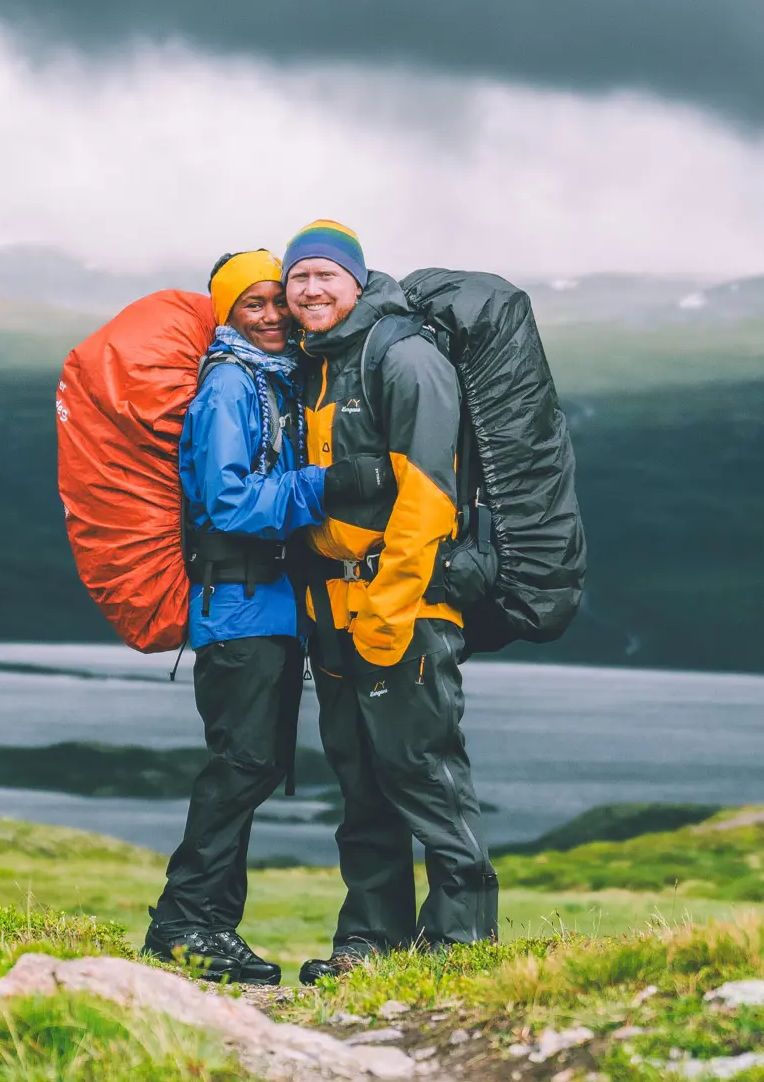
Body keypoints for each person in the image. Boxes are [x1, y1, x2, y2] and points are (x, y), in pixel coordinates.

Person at [142, 248, 390, 985]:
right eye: (253, 303)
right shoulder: (228, 385)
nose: (275, 314)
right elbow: (227, 502)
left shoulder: (271, 379)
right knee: (243, 764)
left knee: (254, 764)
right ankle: (186, 924)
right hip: (239, 604)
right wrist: (328, 484)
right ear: (227, 313)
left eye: (277, 300)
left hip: (268, 607)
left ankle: (208, 927)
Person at [282, 221, 499, 985]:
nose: (310, 290)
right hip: (338, 616)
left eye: (324, 276)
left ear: (356, 280)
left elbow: (430, 496)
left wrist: (392, 603)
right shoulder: (315, 364)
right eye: (297, 278)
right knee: (361, 780)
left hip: (405, 607)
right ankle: (371, 942)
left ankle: (460, 944)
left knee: (423, 772)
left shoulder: (402, 356)